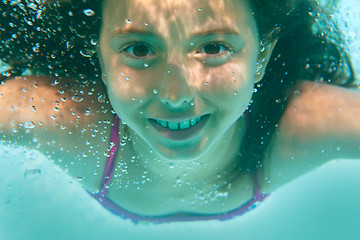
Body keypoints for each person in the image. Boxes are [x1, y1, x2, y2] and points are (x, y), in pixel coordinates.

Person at [0, 0, 359, 223]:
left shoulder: (298, 121)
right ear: (100, 59)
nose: (176, 96)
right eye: (139, 49)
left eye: (214, 47)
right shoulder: (60, 115)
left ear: (261, 56)